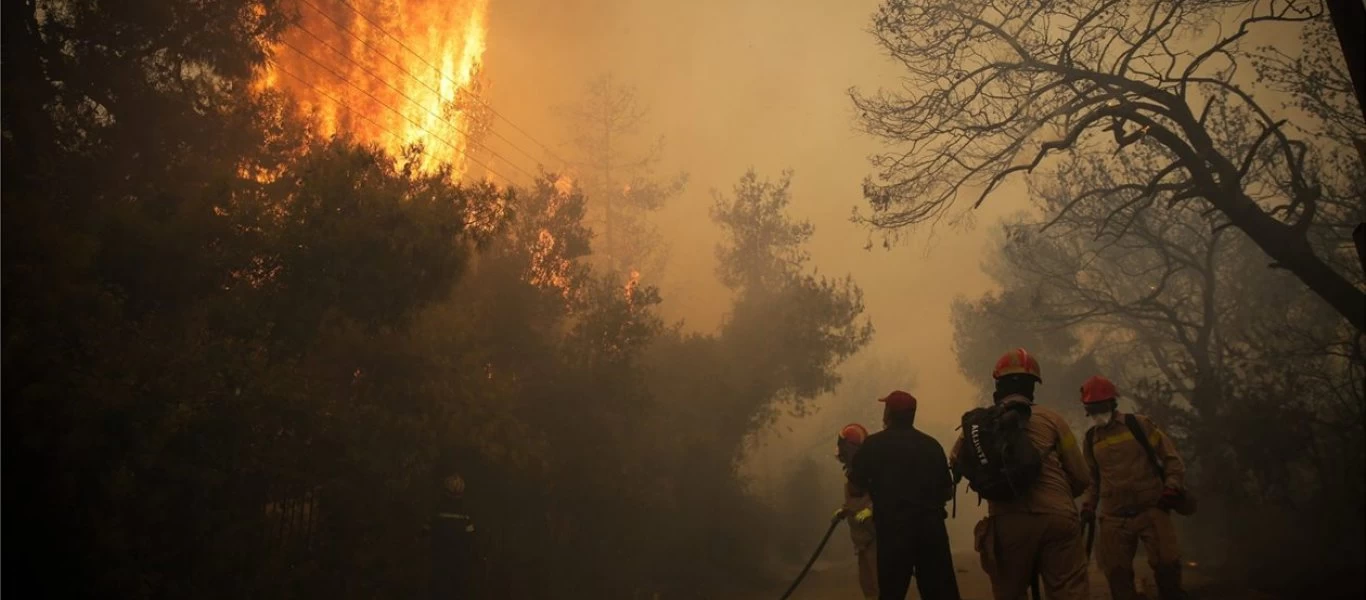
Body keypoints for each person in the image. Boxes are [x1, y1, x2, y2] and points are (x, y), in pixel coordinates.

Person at [949, 348, 1091, 600]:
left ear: (998, 384)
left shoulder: (980, 424)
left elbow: (956, 462)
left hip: (1008, 520)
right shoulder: (1053, 420)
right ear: (1033, 387)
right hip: (1057, 518)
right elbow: (1081, 477)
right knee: (1069, 591)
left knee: (1009, 594)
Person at [1078, 375, 1190, 600]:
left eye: (1101, 407)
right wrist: (1089, 504)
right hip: (1113, 517)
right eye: (1092, 409)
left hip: (1151, 509)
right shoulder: (1091, 439)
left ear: (1112, 403)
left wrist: (1172, 487)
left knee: (1168, 568)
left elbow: (1171, 458)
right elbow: (1093, 479)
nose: (1097, 413)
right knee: (1117, 575)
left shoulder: (1139, 425)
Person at [848, 390, 961, 600]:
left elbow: (855, 488)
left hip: (893, 531)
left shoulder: (873, 445)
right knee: (940, 592)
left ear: (888, 413)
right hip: (931, 531)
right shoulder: (931, 445)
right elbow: (947, 491)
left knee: (891, 592)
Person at [834, 423, 879, 600]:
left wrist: (871, 510)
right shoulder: (852, 473)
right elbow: (854, 500)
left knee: (879, 584)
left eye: (845, 447)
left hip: (876, 537)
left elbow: (882, 494)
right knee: (867, 584)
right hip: (862, 540)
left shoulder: (872, 469)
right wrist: (844, 511)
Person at [429, 473, 477, 600]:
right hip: (457, 558)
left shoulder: (437, 511)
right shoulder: (465, 513)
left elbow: (426, 530)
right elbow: (471, 536)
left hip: (441, 557)